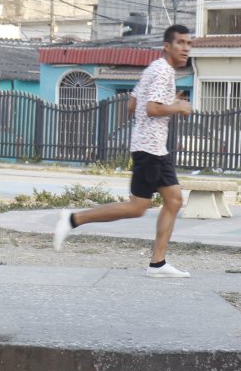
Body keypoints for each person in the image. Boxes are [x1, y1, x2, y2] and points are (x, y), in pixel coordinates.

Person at [52, 25, 194, 278]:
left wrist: (156, 113)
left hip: (153, 148)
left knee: (174, 200)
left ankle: (158, 264)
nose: (186, 48)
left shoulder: (153, 68)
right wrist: (178, 107)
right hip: (149, 149)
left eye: (188, 43)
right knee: (137, 207)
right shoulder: (163, 72)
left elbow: (132, 105)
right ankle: (73, 219)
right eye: (181, 43)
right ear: (167, 46)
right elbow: (151, 109)